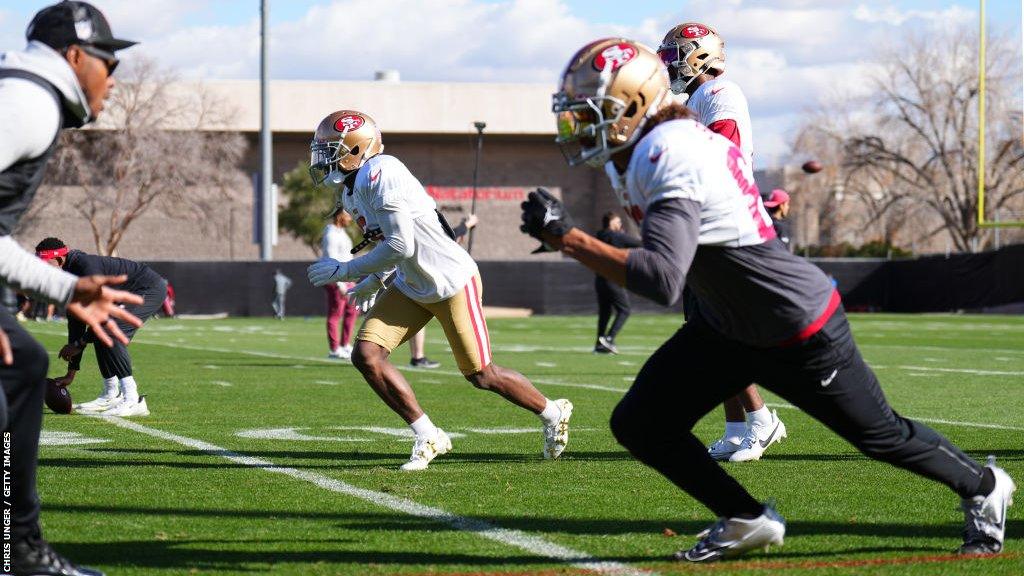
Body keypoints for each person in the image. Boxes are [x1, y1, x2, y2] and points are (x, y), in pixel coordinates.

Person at [527, 37, 1014, 561]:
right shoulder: (649, 147)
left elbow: (663, 278)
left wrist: (569, 239)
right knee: (641, 424)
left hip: (794, 324)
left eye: (592, 110)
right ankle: (745, 519)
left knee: (882, 437)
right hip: (728, 323)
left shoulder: (670, 150)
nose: (580, 123)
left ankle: (985, 485)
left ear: (636, 103)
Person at [307, 110, 573, 470]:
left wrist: (349, 269)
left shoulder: (381, 172)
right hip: (412, 284)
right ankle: (427, 434)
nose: (325, 157)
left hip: (450, 282)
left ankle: (552, 412)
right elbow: (394, 244)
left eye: (332, 149)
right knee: (366, 355)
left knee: (482, 375)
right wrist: (374, 279)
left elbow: (401, 244)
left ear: (358, 148)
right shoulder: (353, 191)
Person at [0, 2, 142, 574]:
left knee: (24, 366)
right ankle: (19, 551)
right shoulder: (27, 101)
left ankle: (18, 547)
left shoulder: (29, 96)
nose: (114, 76)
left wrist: (64, 288)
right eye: (108, 61)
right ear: (75, 56)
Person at [658, 22, 785, 463]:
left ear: (698, 55)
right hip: (709, 222)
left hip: (726, 226)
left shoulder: (718, 94)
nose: (667, 64)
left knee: (717, 333)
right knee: (705, 330)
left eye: (674, 55)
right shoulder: (695, 99)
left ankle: (761, 420)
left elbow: (722, 150)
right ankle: (736, 428)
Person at [37, 237, 166, 417]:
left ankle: (133, 399)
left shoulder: (85, 267)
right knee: (101, 334)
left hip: (148, 288)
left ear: (58, 260)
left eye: (44, 263)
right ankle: (111, 393)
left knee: (108, 331)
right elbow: (76, 324)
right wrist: (70, 373)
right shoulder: (67, 278)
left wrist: (79, 343)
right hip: (128, 293)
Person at [405, 214, 477, 369]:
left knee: (418, 320)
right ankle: (418, 356)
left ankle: (417, 356)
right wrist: (468, 224)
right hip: (431, 280)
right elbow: (453, 235)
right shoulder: (427, 227)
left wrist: (466, 224)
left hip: (416, 278)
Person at [593, 211, 640, 354]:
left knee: (605, 312)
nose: (620, 224)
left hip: (599, 280)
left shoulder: (598, 236)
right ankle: (609, 339)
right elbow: (639, 244)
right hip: (612, 279)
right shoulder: (616, 236)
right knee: (625, 310)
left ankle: (599, 344)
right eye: (618, 222)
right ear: (611, 223)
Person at [322, 208, 359, 359]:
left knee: (352, 311)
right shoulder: (330, 234)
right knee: (336, 312)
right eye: (347, 215)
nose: (350, 218)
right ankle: (334, 349)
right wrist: (340, 285)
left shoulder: (342, 233)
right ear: (339, 216)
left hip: (347, 277)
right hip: (335, 278)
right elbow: (331, 260)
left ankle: (345, 345)